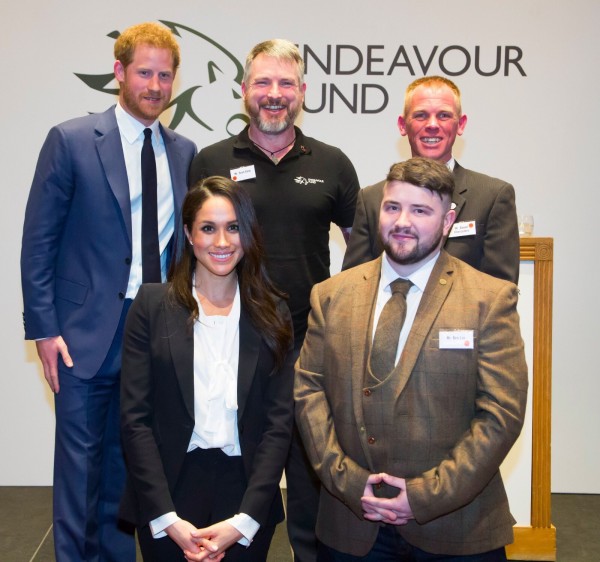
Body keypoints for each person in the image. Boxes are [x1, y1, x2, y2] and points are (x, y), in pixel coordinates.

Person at [20, 22, 196, 561]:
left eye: (165, 76)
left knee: (131, 466)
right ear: (119, 73)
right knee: (80, 469)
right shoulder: (71, 140)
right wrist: (44, 329)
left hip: (155, 330)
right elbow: (38, 242)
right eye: (144, 72)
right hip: (83, 333)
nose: (155, 85)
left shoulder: (185, 151)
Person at [295, 157, 528, 561]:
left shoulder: (489, 300)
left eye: (420, 210)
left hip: (456, 528)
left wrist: (423, 496)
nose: (403, 221)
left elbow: (501, 415)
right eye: (392, 207)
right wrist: (350, 483)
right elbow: (308, 392)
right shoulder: (331, 295)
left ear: (448, 219)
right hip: (351, 526)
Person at [189, 39, 360, 562]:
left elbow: (362, 253)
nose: (274, 94)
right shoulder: (212, 160)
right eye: (263, 82)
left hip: (311, 348)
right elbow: (192, 245)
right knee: (245, 485)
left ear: (303, 92)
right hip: (235, 346)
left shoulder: (332, 164)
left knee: (311, 487)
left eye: (286, 83)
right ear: (244, 91)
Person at [120, 177, 294, 562]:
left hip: (247, 494)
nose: (222, 242)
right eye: (208, 228)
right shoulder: (150, 306)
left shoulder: (274, 312)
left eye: (234, 227)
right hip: (169, 492)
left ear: (248, 234)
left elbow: (279, 423)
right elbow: (135, 420)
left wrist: (246, 519)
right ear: (188, 233)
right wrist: (168, 519)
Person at [342, 76, 519, 284]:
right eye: (421, 115)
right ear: (402, 125)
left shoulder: (492, 197)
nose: (432, 125)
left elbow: (500, 291)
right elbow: (352, 286)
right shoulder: (371, 199)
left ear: (460, 125)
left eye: (444, 115)